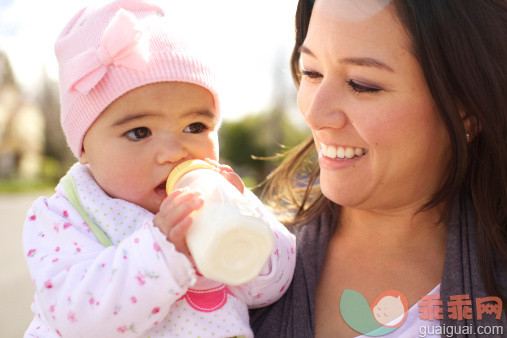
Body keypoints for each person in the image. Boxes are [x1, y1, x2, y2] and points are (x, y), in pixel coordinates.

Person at [22, 1, 295, 337]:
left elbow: (272, 287)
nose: (173, 153)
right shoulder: (68, 215)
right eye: (140, 132)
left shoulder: (218, 201)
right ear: (84, 149)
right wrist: (161, 251)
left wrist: (245, 217)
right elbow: (74, 314)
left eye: (195, 127)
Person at [250, 0, 506, 337]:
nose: (313, 113)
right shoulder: (246, 261)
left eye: (362, 84)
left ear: (466, 108)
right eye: (311, 71)